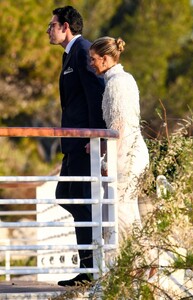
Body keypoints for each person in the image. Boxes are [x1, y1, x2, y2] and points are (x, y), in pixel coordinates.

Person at [46, 6, 106, 286]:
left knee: (79, 200)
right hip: (71, 144)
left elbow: (95, 94)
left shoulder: (82, 50)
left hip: (83, 144)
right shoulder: (69, 54)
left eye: (52, 25)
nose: (48, 30)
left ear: (66, 26)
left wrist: (95, 137)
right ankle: (88, 269)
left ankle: (90, 270)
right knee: (66, 195)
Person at [89, 37, 149, 246]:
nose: (91, 63)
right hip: (130, 152)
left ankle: (143, 258)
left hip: (126, 155)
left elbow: (120, 125)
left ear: (105, 59)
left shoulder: (117, 83)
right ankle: (139, 262)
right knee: (127, 210)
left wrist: (107, 157)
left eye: (93, 59)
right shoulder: (120, 80)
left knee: (121, 210)